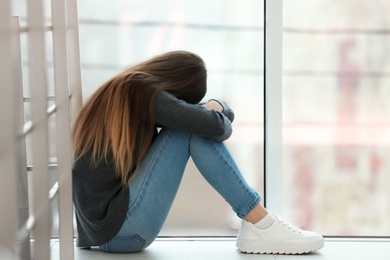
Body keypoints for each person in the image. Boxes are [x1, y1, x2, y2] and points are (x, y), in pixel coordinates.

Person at [71, 50, 324, 254]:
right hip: (122, 231)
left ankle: (257, 222)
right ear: (176, 89)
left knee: (192, 126)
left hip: (108, 232)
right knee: (188, 130)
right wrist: (215, 110)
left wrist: (217, 108)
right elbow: (212, 126)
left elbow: (212, 120)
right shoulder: (143, 92)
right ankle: (260, 222)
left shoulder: (125, 88)